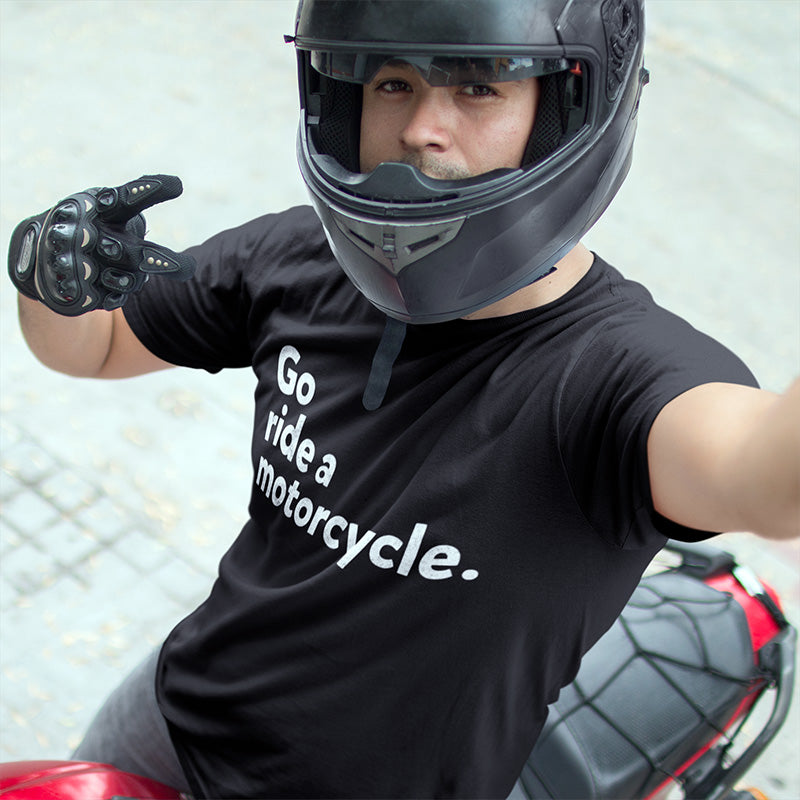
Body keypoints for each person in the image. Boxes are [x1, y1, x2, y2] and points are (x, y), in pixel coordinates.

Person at [7, 0, 799, 797]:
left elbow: (769, 479)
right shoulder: (296, 261)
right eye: (391, 83)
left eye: (481, 86)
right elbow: (99, 347)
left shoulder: (615, 375)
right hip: (175, 718)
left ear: (570, 110)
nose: (422, 127)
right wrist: (49, 283)